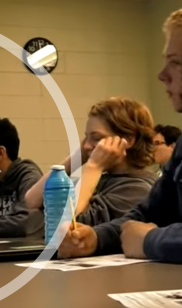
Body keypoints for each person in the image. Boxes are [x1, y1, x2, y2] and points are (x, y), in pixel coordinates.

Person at [58, 9, 182, 264]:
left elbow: (145, 232)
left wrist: (150, 241)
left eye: (176, 62)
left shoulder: (134, 184)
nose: (162, 75)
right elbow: (144, 216)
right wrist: (96, 238)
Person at [25, 97, 157, 226]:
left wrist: (94, 166)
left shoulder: (138, 189)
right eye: (86, 138)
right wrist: (79, 156)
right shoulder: (100, 179)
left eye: (97, 138)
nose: (87, 145)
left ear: (127, 140)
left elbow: (70, 226)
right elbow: (32, 201)